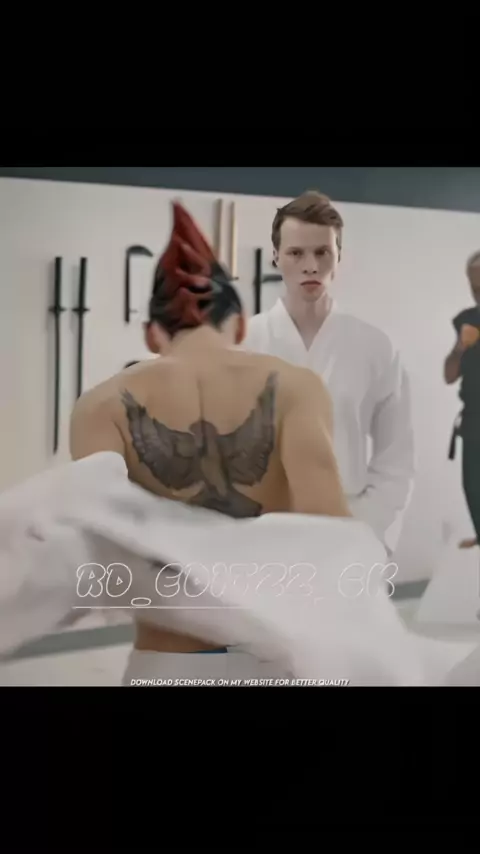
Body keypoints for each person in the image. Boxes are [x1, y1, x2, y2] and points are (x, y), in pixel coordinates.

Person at [69, 200, 351, 677]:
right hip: (272, 655)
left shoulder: (101, 406)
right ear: (239, 324)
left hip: (167, 663)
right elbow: (333, 538)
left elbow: (100, 553)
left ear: (151, 334)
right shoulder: (295, 389)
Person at [242, 190, 415, 555]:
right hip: (260, 533)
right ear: (276, 256)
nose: (311, 266)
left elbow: (396, 459)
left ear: (339, 256)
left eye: (322, 252)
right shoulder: (244, 343)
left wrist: (370, 535)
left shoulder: (376, 347)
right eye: (296, 253)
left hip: (348, 531)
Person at [444, 251, 480, 548]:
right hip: (473, 416)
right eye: (474, 287)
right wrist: (459, 348)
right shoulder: (465, 321)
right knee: (473, 483)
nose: (478, 293)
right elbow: (449, 375)